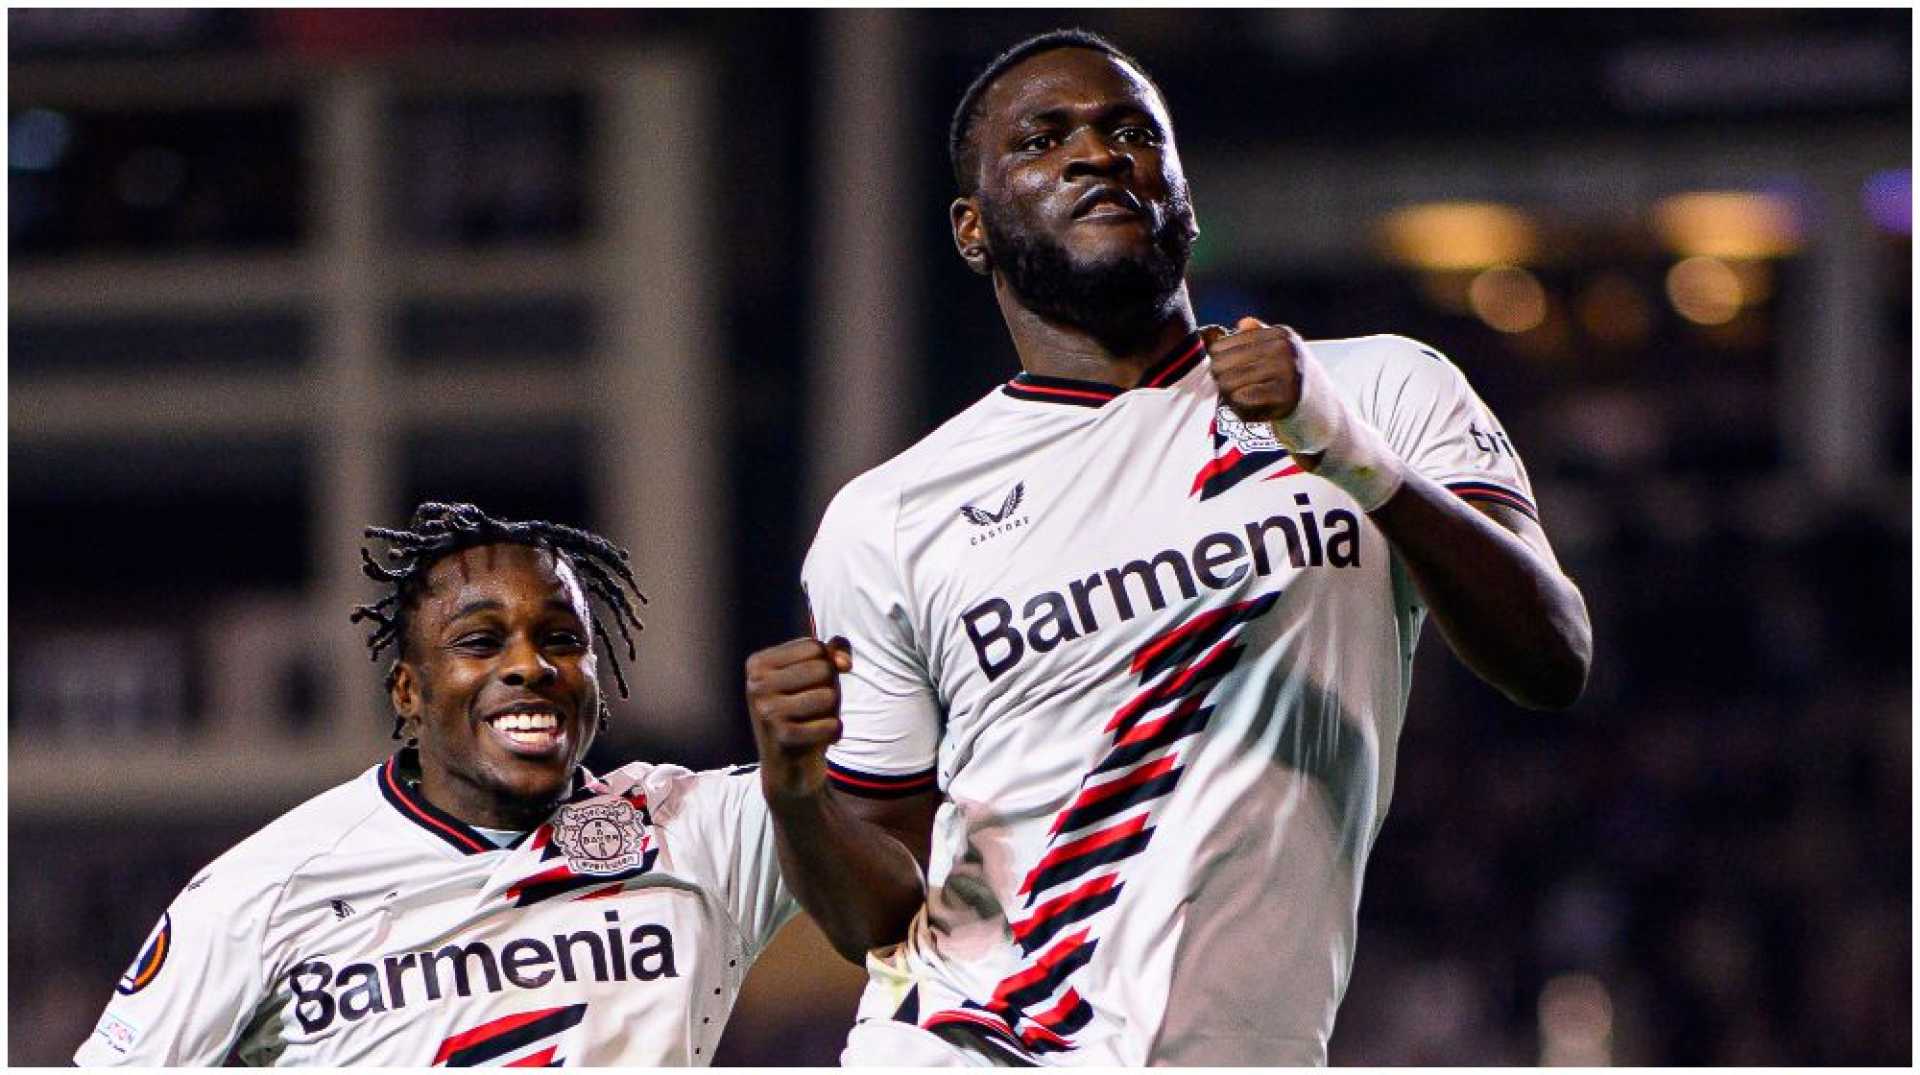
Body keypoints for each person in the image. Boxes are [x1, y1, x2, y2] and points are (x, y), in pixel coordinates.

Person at [744, 29, 1593, 1066]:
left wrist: (1352, 455)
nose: (1096, 154)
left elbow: (1552, 654)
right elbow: (875, 915)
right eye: (1043, 141)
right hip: (969, 1043)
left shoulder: (1378, 389)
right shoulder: (889, 517)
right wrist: (795, 797)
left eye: (1132, 132)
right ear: (972, 230)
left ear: (1183, 194)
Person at [78, 502, 794, 1066]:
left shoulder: (695, 830)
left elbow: (860, 809)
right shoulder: (265, 889)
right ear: (409, 692)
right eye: (481, 642)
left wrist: (807, 744)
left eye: (562, 639)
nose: (531, 666)